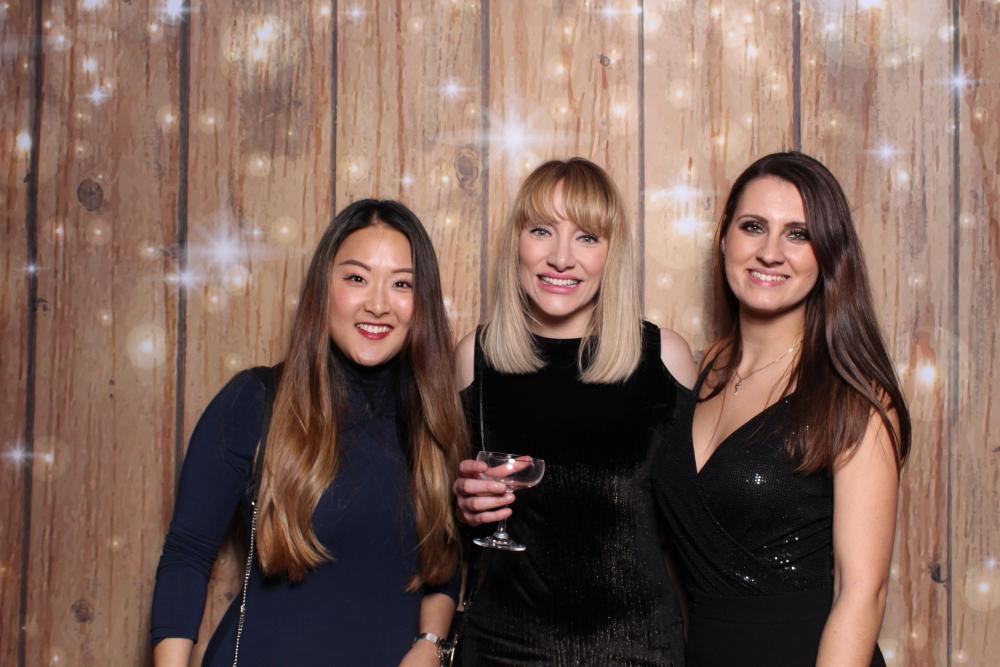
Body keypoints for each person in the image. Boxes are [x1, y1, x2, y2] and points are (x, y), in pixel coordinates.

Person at [151, 200, 468, 666]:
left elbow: (444, 567)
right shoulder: (254, 401)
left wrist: (430, 644)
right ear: (324, 288)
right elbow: (187, 555)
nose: (378, 304)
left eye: (402, 284)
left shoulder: (436, 423)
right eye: (357, 278)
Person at [653, 152, 911, 666]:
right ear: (724, 240)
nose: (770, 253)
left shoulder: (851, 397)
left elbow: (863, 594)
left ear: (828, 254)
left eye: (798, 234)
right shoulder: (702, 371)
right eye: (753, 227)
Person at [452, 158, 697, 665]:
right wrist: (463, 505)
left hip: (636, 649)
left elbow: (697, 522)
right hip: (502, 649)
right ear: (517, 243)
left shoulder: (665, 358)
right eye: (542, 231)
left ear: (612, 254)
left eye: (587, 237)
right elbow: (444, 529)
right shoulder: (475, 358)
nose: (561, 258)